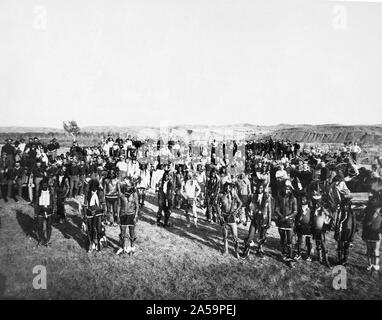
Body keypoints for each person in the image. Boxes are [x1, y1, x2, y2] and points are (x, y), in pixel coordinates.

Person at [241, 184, 272, 259]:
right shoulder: (252, 196)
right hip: (255, 219)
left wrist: (269, 221)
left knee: (262, 236)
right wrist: (248, 213)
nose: (259, 189)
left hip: (264, 219)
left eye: (261, 188)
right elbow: (246, 205)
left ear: (263, 188)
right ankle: (246, 251)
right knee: (250, 235)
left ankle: (259, 250)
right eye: (258, 188)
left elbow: (269, 210)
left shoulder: (267, 197)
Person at [274, 181, 297, 268]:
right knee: (282, 239)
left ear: (291, 190)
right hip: (281, 221)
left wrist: (287, 217)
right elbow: (276, 208)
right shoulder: (279, 197)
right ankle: (284, 253)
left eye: (288, 189)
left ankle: (290, 258)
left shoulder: (293, 199)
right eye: (286, 188)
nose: (287, 190)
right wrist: (281, 216)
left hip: (289, 222)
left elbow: (295, 211)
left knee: (290, 241)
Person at [216, 182, 242, 258]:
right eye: (226, 188)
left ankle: (236, 251)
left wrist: (236, 210)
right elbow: (217, 205)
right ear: (224, 188)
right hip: (224, 217)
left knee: (235, 236)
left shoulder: (233, 195)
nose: (227, 189)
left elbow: (240, 203)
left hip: (232, 217)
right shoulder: (220, 195)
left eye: (229, 188)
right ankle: (226, 250)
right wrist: (219, 215)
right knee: (225, 236)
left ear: (230, 188)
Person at [117, 181, 139, 255]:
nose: (127, 188)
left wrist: (135, 216)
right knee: (123, 233)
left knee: (131, 232)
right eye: (126, 186)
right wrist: (118, 216)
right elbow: (118, 205)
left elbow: (137, 206)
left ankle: (132, 248)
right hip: (123, 215)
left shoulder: (134, 194)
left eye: (129, 186)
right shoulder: (121, 195)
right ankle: (123, 248)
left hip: (131, 215)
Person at [82, 179, 104, 253]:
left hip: (98, 213)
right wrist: (85, 215)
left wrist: (103, 214)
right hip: (89, 213)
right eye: (92, 187)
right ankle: (90, 244)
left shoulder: (100, 192)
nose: (94, 188)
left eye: (95, 187)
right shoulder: (87, 193)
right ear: (90, 187)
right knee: (90, 229)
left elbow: (103, 203)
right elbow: (85, 204)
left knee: (98, 229)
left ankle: (98, 244)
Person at [362, 192, 382, 272]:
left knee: (375, 249)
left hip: (377, 231)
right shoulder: (368, 208)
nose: (374, 201)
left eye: (375, 199)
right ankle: (369, 264)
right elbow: (363, 219)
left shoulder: (380, 209)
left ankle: (376, 265)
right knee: (369, 249)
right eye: (373, 199)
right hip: (368, 230)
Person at [34, 179, 55, 247]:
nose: (44, 186)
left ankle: (47, 240)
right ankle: (41, 239)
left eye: (46, 185)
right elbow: (36, 203)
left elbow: (53, 202)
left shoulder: (50, 193)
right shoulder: (38, 193)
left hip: (49, 212)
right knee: (40, 227)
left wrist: (50, 209)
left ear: (48, 185)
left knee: (49, 227)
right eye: (43, 185)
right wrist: (36, 212)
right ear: (41, 186)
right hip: (40, 212)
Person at [294, 193, 313, 262]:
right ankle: (298, 253)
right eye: (302, 199)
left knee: (308, 241)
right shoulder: (299, 207)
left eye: (304, 199)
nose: (303, 200)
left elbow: (312, 217)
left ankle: (308, 255)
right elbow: (296, 217)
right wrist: (297, 223)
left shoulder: (310, 208)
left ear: (307, 200)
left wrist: (311, 225)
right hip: (300, 226)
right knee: (299, 240)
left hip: (308, 226)